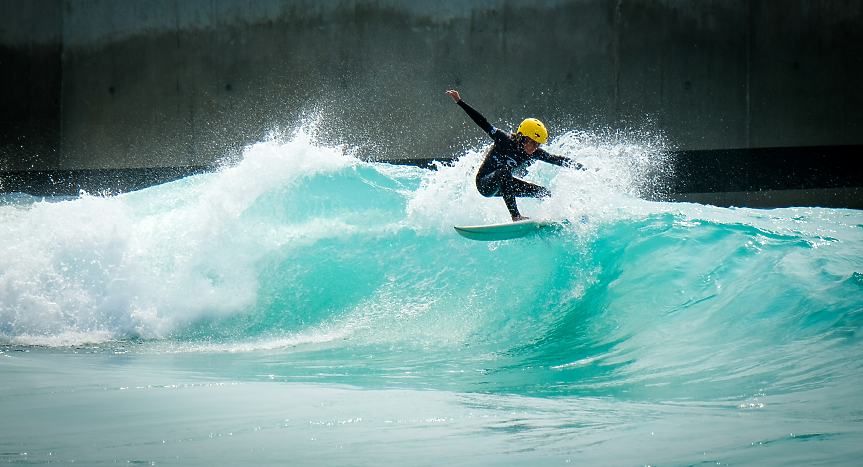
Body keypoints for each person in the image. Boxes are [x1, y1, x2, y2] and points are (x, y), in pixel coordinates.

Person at [446, 90, 585, 221]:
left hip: (505, 187)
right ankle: (516, 216)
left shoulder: (534, 152)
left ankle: (560, 214)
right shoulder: (504, 139)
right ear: (522, 137)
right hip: (485, 184)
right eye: (533, 142)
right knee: (504, 172)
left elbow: (557, 160)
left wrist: (584, 169)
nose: (536, 147)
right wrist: (460, 102)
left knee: (543, 192)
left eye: (539, 144)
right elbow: (483, 122)